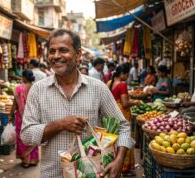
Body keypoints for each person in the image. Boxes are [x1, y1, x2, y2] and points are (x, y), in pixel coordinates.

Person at [21, 29, 134, 178]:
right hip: (53, 174)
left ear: (78, 54)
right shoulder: (38, 90)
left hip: (93, 173)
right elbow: (26, 135)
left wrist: (119, 160)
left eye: (63, 50)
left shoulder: (98, 88)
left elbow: (123, 126)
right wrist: (60, 124)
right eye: (52, 51)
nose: (56, 56)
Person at [107, 64, 140, 176]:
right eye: (126, 74)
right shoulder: (122, 84)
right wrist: (135, 102)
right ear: (122, 74)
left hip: (111, 114)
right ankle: (124, 168)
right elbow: (125, 103)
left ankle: (114, 164)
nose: (127, 76)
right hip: (122, 114)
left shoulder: (109, 83)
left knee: (115, 140)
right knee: (125, 139)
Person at [9, 70, 39, 168]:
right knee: (33, 137)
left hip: (21, 118)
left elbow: (15, 104)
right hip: (34, 117)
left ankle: (26, 161)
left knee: (23, 138)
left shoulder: (18, 88)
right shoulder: (37, 87)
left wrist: (10, 115)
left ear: (24, 77)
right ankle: (33, 160)